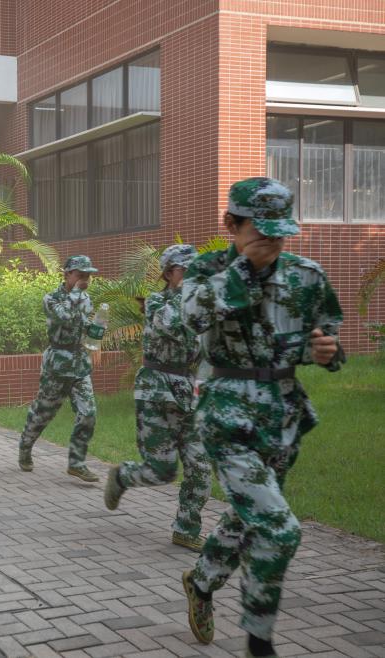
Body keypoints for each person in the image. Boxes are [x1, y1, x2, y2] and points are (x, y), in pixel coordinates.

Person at [179, 177, 343, 658]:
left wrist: (328, 352)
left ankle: (202, 581)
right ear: (231, 224)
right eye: (261, 231)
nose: (272, 242)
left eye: (280, 233)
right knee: (278, 528)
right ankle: (259, 641)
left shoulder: (306, 275)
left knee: (248, 517)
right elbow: (192, 317)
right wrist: (245, 269)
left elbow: (326, 338)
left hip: (283, 417)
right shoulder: (207, 270)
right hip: (228, 417)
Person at [104, 244, 211, 552]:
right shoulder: (156, 303)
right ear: (169, 273)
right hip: (156, 391)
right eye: (186, 271)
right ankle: (122, 477)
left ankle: (186, 529)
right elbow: (178, 326)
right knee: (162, 470)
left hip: (188, 391)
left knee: (200, 467)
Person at [18, 255, 100, 482]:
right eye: (81, 275)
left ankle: (76, 463)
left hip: (80, 364)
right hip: (57, 365)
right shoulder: (51, 299)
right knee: (43, 413)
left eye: (88, 275)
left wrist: (94, 329)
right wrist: (76, 293)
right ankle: (25, 445)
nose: (85, 279)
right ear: (67, 275)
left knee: (88, 413)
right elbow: (63, 316)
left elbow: (82, 322)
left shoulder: (85, 298)